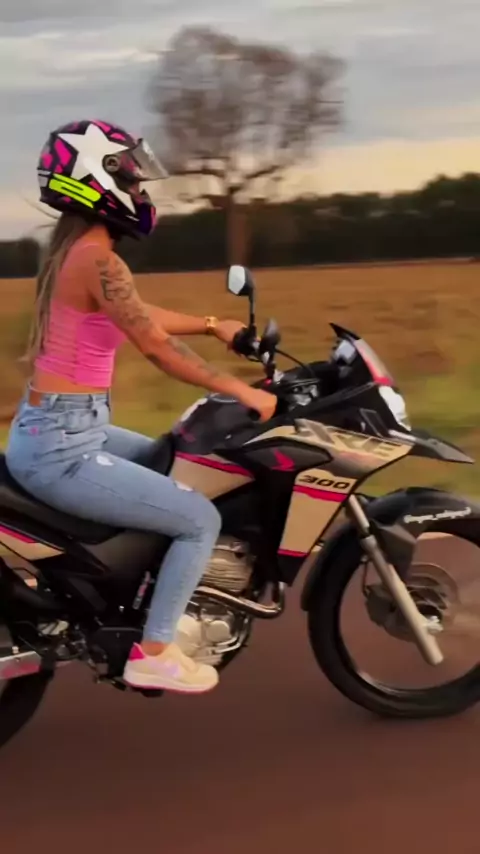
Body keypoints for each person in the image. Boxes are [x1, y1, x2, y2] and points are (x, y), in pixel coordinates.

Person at [5, 119, 277, 695]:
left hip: (66, 428)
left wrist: (212, 324)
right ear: (94, 181)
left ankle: (133, 594)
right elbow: (154, 345)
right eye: (130, 178)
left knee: (170, 456)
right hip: (63, 444)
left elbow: (135, 311)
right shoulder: (97, 260)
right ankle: (155, 652)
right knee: (198, 518)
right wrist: (243, 391)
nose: (140, 190)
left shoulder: (79, 254)